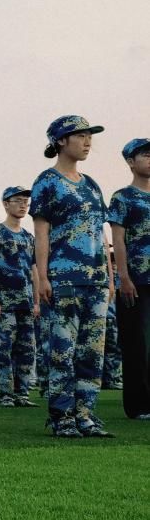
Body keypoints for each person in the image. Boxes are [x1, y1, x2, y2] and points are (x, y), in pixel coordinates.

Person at [31, 115, 114, 438]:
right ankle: (62, 417)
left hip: (96, 280)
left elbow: (101, 234)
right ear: (61, 141)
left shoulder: (91, 184)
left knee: (92, 353)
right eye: (80, 136)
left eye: (90, 136)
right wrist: (43, 277)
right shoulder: (47, 181)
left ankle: (86, 415)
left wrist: (109, 278)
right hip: (64, 278)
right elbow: (41, 233)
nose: (88, 141)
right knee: (62, 352)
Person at [108, 138, 150, 420]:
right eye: (145, 154)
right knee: (137, 344)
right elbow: (118, 240)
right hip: (137, 280)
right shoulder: (123, 197)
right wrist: (123, 277)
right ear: (130, 162)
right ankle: (139, 405)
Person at [0, 186, 40, 408]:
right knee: (5, 348)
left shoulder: (29, 237)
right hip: (4, 301)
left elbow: (35, 271)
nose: (23, 205)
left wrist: (36, 301)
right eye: (17, 201)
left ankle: (22, 393)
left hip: (26, 302)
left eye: (26, 202)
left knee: (27, 349)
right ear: (6, 204)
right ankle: (5, 394)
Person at [101, 246, 123, 390]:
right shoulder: (107, 278)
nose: (114, 266)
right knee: (111, 349)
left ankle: (111, 378)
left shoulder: (118, 278)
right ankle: (110, 379)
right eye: (112, 262)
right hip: (108, 317)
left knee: (114, 349)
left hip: (114, 316)